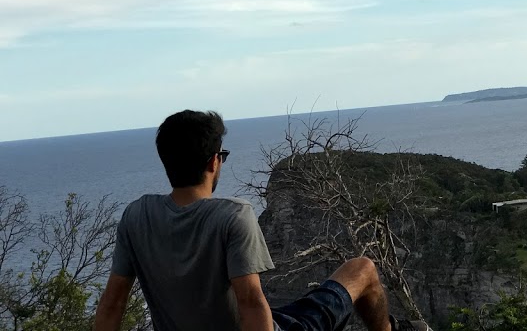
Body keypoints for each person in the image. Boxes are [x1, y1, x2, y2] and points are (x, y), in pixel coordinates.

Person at [93, 109, 394, 331]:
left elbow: (111, 304)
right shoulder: (233, 216)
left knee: (286, 310)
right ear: (214, 161)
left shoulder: (136, 215)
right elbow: (250, 302)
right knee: (363, 269)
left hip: (274, 319)